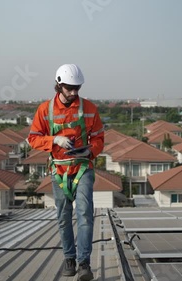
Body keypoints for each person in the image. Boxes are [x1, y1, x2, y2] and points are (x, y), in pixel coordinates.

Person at [27, 64, 104, 280]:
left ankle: (84, 264)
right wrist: (54, 140)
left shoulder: (89, 108)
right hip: (59, 168)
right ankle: (69, 258)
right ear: (58, 85)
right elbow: (33, 138)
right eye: (69, 88)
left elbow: (99, 138)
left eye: (77, 88)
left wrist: (91, 149)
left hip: (82, 166)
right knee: (63, 216)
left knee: (85, 214)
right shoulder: (45, 110)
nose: (73, 93)